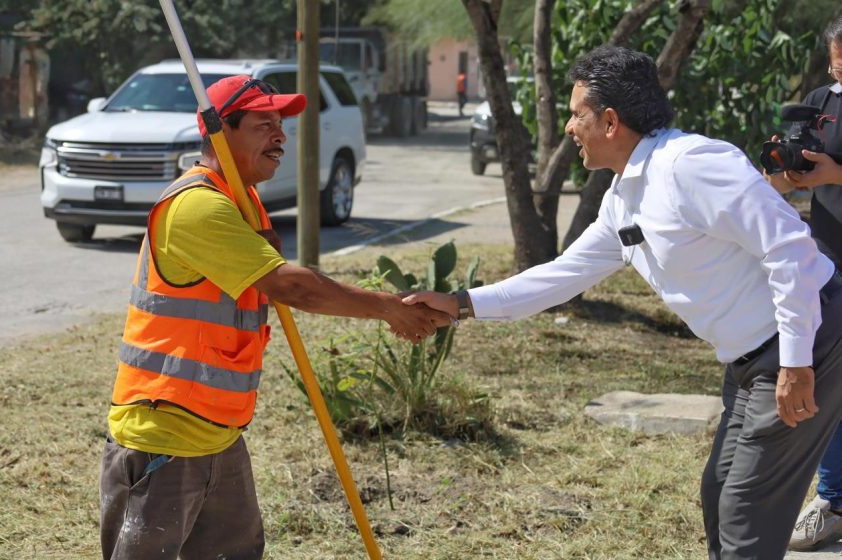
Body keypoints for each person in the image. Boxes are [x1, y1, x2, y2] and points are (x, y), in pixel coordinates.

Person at [404, 45, 842, 560]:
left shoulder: (691, 165)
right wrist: (459, 304)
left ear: (610, 122)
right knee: (719, 494)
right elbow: (561, 276)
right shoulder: (624, 195)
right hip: (750, 357)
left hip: (809, 340)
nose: (569, 128)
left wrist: (796, 364)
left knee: (746, 512)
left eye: (576, 115)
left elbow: (788, 246)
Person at [98, 75, 447, 560]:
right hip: (165, 435)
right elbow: (292, 285)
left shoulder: (242, 201)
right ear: (221, 132)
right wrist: (388, 308)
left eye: (280, 124)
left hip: (218, 435)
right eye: (264, 125)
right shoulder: (196, 207)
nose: (280, 136)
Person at [764, 15, 842, 552]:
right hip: (831, 258)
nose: (840, 72)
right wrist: (788, 174)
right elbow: (793, 167)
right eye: (836, 62)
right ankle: (833, 502)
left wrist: (834, 174)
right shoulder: (820, 98)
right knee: (836, 382)